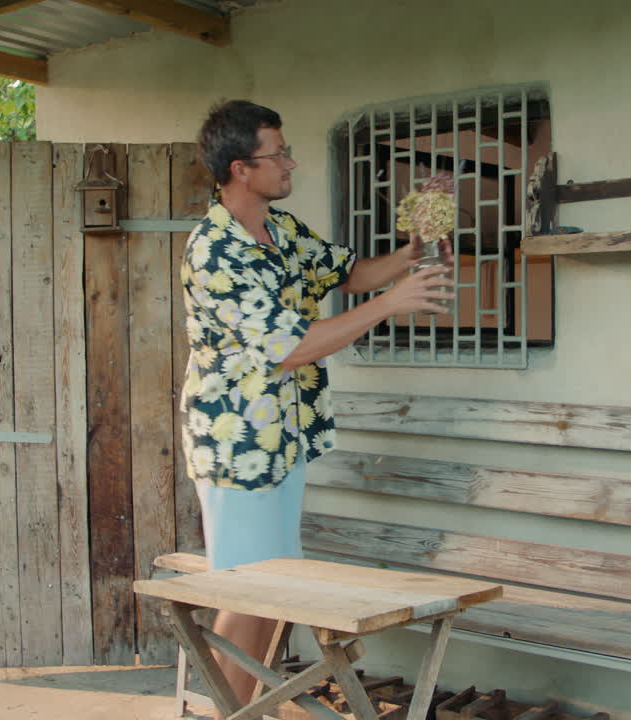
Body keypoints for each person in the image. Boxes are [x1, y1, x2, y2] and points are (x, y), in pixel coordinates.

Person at [180, 99, 453, 705]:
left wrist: (414, 251)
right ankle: (220, 713)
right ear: (240, 168)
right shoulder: (216, 250)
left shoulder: (281, 232)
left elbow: (349, 273)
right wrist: (392, 304)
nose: (291, 163)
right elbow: (289, 348)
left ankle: (248, 710)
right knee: (249, 593)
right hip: (238, 446)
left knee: (277, 587)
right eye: (278, 154)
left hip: (284, 438)